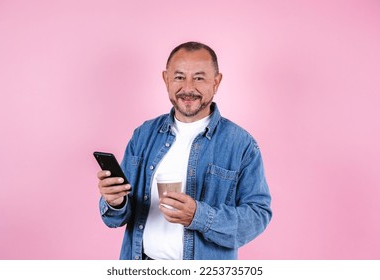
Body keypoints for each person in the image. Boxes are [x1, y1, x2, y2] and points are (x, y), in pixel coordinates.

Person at [97, 41, 272, 260]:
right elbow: (116, 218)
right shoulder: (143, 135)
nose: (188, 88)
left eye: (199, 78)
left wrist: (198, 216)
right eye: (179, 77)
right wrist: (116, 201)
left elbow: (258, 216)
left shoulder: (241, 144)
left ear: (216, 82)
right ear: (166, 79)